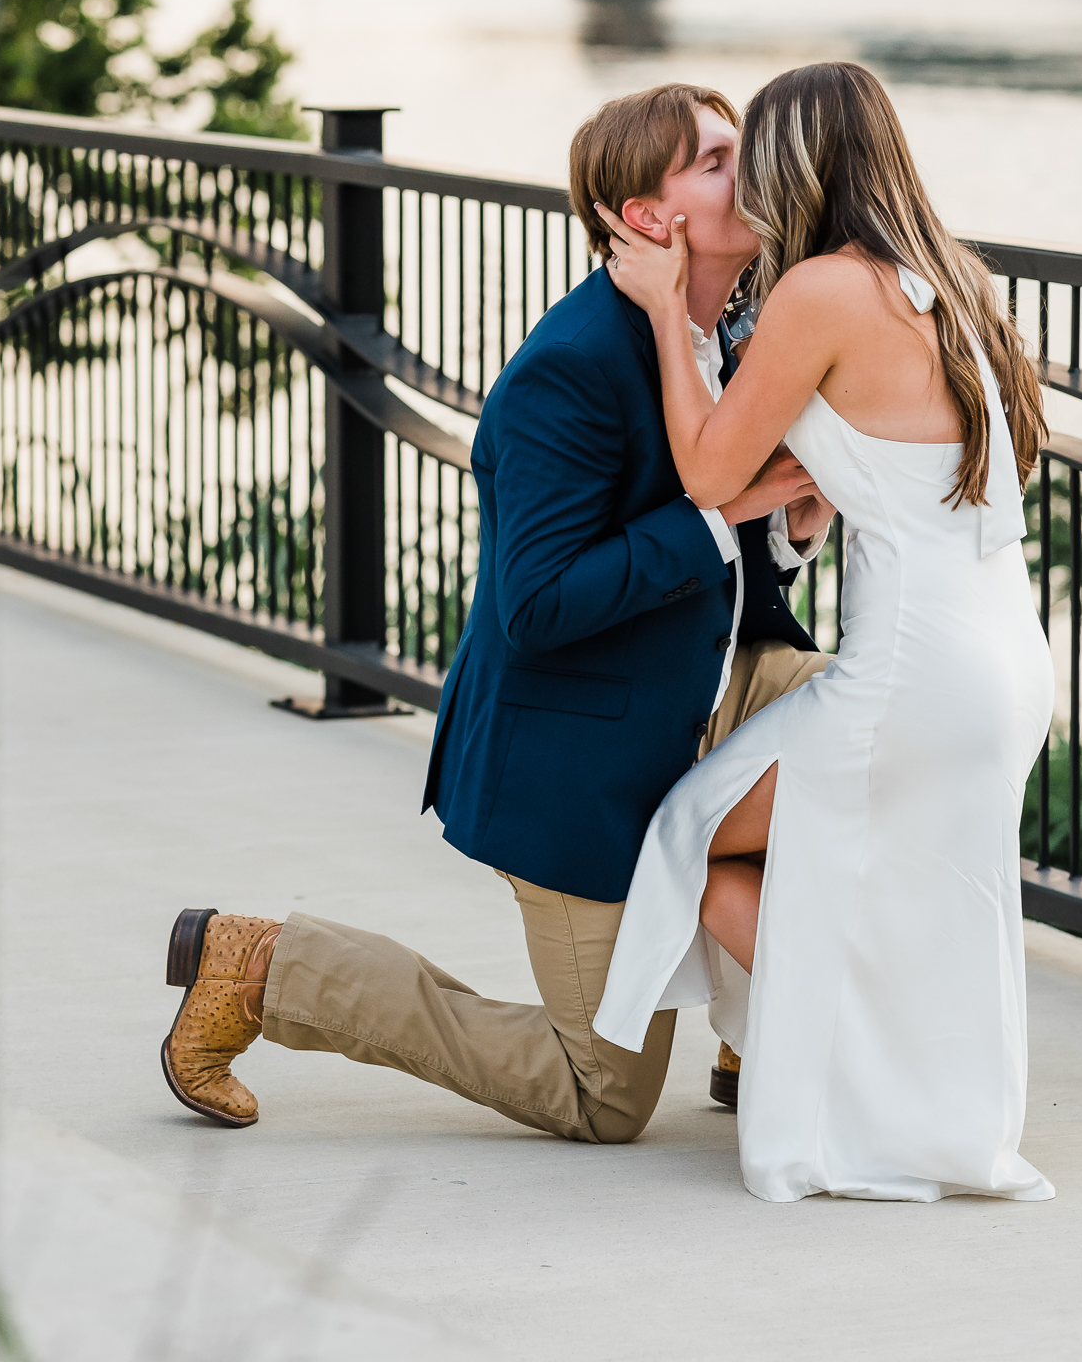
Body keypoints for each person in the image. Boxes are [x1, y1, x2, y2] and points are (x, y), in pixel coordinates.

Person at [159, 82, 832, 1142]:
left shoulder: (728, 333)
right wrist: (717, 512)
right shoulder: (568, 370)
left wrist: (791, 521)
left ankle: (758, 1032)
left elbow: (740, 556)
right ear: (650, 219)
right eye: (713, 159)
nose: (748, 168)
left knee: (889, 737)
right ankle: (260, 966)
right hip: (579, 755)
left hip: (708, 685)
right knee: (599, 1098)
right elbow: (536, 604)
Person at [591, 61, 1057, 1204]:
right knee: (922, 894)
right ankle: (906, 1098)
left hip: (906, 674)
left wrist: (660, 307)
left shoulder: (820, 292)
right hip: (1002, 656)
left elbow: (707, 469)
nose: (742, 173)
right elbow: (864, 470)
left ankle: (843, 1088)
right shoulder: (952, 280)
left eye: (751, 151)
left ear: (795, 161)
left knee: (692, 836)